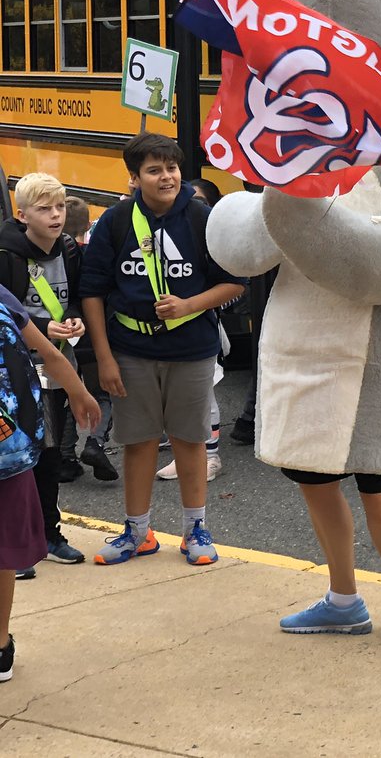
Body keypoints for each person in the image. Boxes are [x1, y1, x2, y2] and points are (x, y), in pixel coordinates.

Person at [79, 133, 245, 566]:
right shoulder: (114, 223)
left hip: (192, 348)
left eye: (171, 168)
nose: (166, 176)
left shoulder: (201, 217)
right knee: (139, 441)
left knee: (190, 439)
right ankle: (137, 531)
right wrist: (105, 357)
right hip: (130, 349)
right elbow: (93, 292)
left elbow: (234, 281)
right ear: (134, 178)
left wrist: (188, 305)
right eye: (153, 170)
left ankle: (195, 528)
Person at [0, 285, 101, 681]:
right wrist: (78, 391)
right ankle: (1, 647)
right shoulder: (3, 297)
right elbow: (48, 351)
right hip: (8, 448)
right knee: (4, 549)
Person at [0, 174, 96, 569]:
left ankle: (50, 534)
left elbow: (72, 299)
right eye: (44, 209)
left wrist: (74, 322)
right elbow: (8, 318)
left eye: (59, 207)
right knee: (20, 458)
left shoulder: (69, 249)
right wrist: (42, 330)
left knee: (52, 453)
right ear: (22, 216)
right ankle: (20, 547)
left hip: (58, 366)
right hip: (18, 373)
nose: (56, 216)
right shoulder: (6, 253)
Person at [156, 179, 225, 483]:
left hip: (199, 325)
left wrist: (190, 305)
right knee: (174, 397)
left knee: (202, 394)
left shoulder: (207, 234)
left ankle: (210, 457)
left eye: (199, 201)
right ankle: (185, 449)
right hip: (165, 330)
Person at [59, 195, 117, 483]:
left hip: (63, 335)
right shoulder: (94, 254)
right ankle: (95, 443)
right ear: (86, 225)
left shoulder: (54, 257)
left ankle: (65, 456)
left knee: (71, 394)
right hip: (92, 334)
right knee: (102, 393)